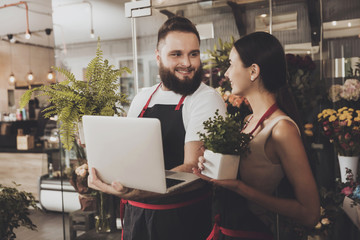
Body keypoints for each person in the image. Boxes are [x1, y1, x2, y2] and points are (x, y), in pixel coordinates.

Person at [88, 16, 226, 240]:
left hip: (182, 219)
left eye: (194, 53)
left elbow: (194, 169)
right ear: (158, 56)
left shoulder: (206, 99)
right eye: (176, 54)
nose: (188, 63)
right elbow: (129, 154)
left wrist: (133, 190)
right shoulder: (143, 98)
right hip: (136, 216)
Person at [194, 32, 320, 239]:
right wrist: (212, 164)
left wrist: (240, 187)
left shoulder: (281, 129)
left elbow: (310, 214)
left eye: (231, 64)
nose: (226, 73)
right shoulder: (248, 122)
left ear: (253, 71)